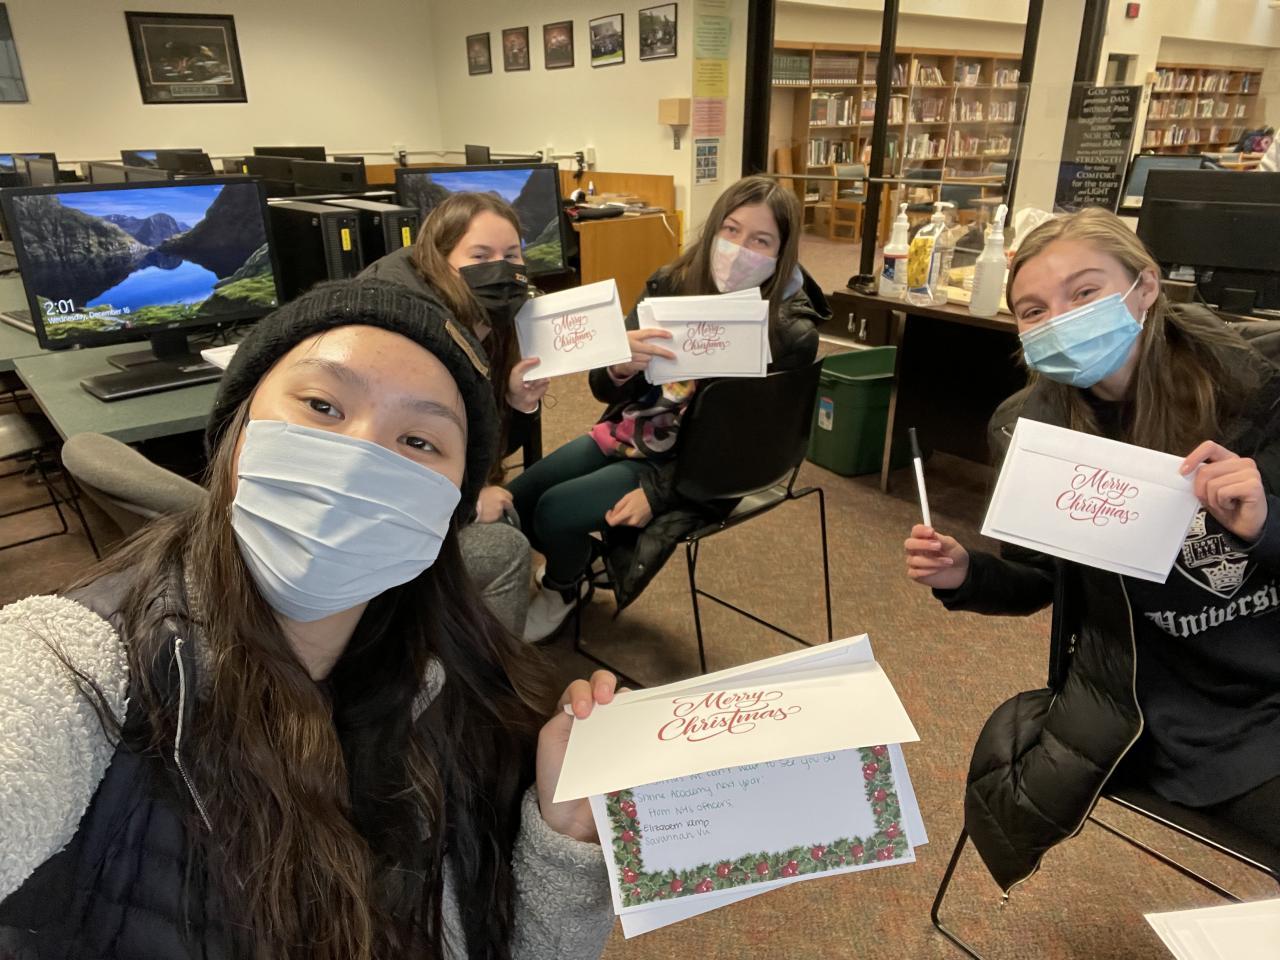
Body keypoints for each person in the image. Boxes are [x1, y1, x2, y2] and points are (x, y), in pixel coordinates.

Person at [0, 280, 615, 959]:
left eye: (418, 440)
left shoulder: (471, 701)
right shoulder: (75, 666)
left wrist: (563, 840)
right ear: (239, 432)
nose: (360, 460)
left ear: (450, 508)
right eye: (322, 406)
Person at [902, 207, 1280, 894]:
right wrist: (966, 574)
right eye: (1033, 310)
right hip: (1163, 703)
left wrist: (1264, 523)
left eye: (1084, 293)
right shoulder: (1031, 430)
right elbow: (1040, 580)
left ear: (1145, 286)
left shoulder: (1255, 389)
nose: (1061, 320)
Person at [509, 175, 827, 642]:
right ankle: (580, 564)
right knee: (518, 501)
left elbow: (748, 447)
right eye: (731, 230)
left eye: (761, 240)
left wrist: (658, 496)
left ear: (782, 253)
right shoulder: (670, 283)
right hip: (633, 432)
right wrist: (620, 365)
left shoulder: (789, 332)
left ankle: (563, 587)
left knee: (555, 513)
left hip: (693, 466)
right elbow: (602, 387)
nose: (740, 250)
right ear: (714, 228)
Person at [361, 192, 547, 636]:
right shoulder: (411, 339)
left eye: (512, 255)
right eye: (480, 256)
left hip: (433, 496)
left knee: (511, 512)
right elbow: (383, 464)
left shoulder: (489, 320)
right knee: (507, 548)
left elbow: (478, 442)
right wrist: (469, 506)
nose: (500, 268)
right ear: (439, 261)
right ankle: (479, 670)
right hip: (380, 517)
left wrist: (514, 401)